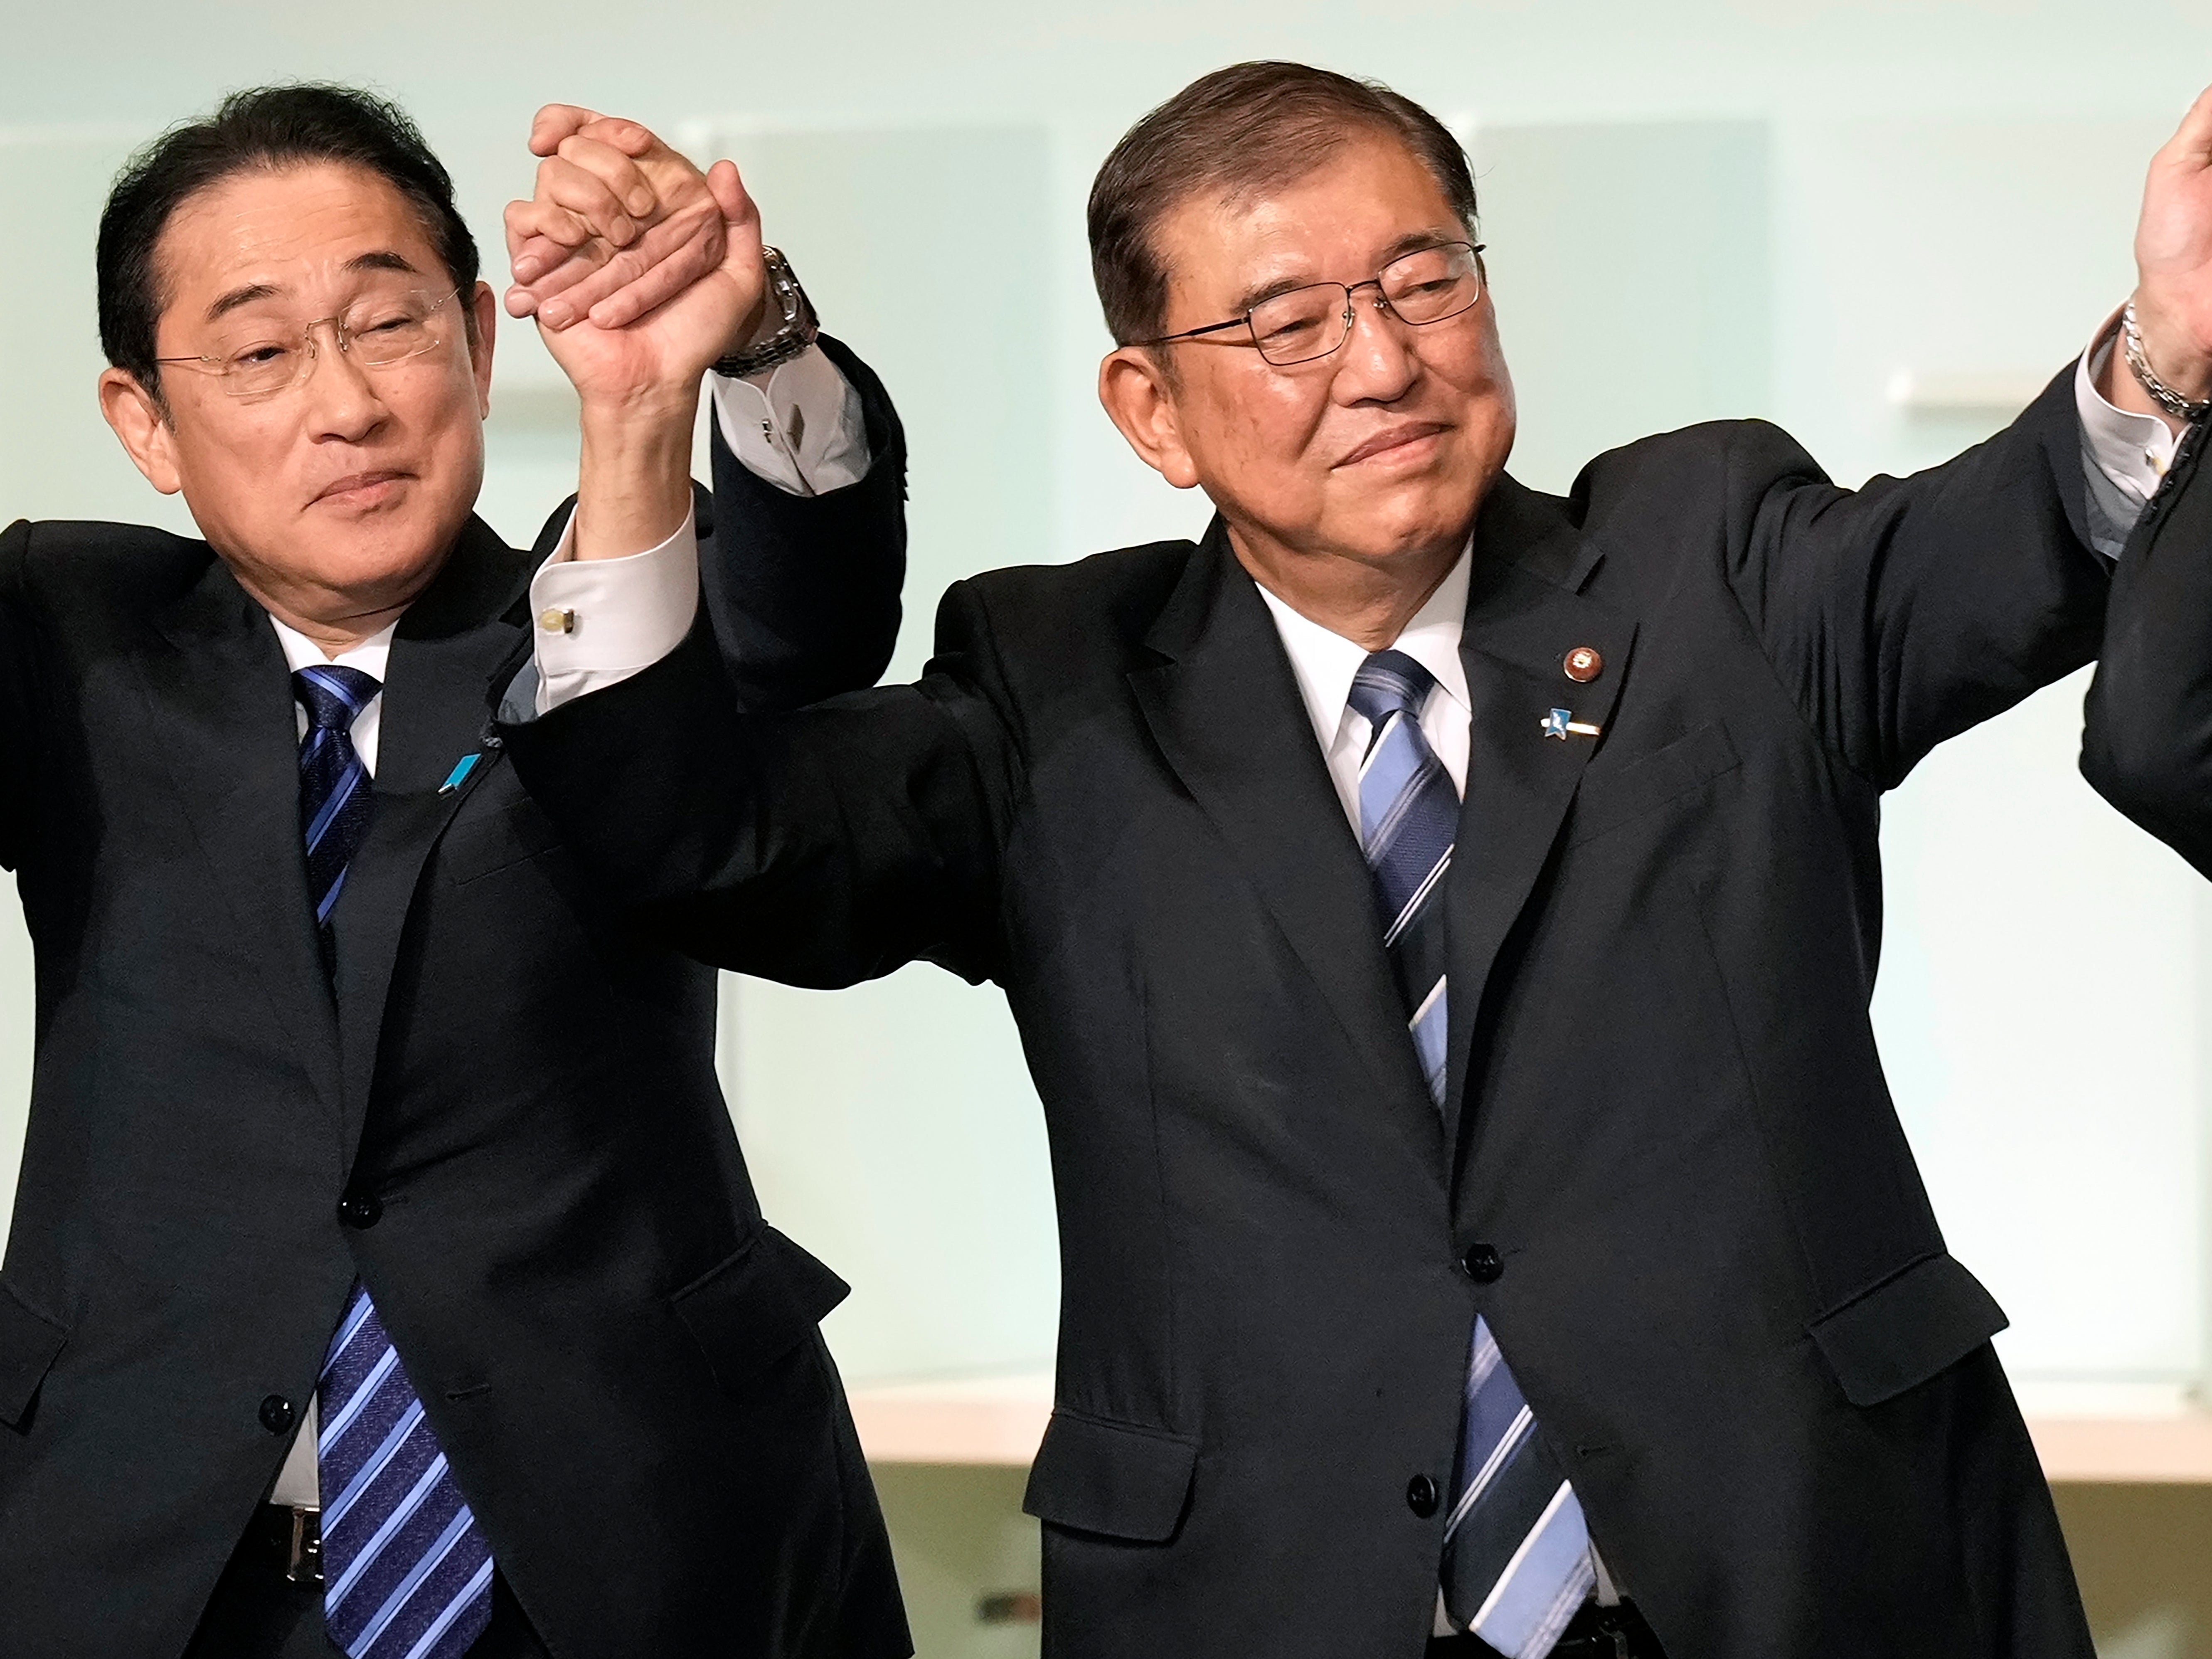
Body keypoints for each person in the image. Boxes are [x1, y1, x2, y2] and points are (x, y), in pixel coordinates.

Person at [499, 62, 2212, 1659]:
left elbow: (2008, 535)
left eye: (1421, 280)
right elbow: (693, 841)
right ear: (1149, 408)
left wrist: (2163, 349)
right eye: (1284, 321)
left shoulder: (1706, 563)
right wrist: (646, 418)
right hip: (1273, 1597)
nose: (1381, 362)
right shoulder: (1055, 684)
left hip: (1807, 1574)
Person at [0, 85, 912, 1659]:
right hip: (152, 1568)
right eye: (262, 351)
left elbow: (807, 619)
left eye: (387, 324)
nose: (345, 403)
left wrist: (752, 341)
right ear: (146, 419)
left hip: (638, 1552)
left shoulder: (612, 602)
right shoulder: (65, 632)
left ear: (481, 343)